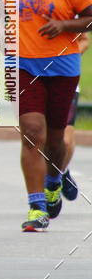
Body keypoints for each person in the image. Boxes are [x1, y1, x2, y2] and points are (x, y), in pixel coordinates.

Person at [16, 0, 92, 232]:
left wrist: (64, 26)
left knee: (57, 139)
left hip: (62, 67)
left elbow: (89, 18)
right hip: (23, 67)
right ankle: (36, 207)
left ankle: (53, 181)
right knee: (33, 131)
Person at [62, 32, 89, 202]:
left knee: (65, 140)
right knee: (39, 135)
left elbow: (84, 40)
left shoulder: (71, 13)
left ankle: (60, 173)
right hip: (33, 78)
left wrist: (65, 57)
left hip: (65, 77)